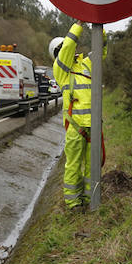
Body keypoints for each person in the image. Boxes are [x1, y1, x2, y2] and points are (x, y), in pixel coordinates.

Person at [49, 22, 105, 211]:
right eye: (63, 49)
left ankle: (90, 199)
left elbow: (100, 51)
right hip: (76, 128)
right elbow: (67, 49)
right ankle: (73, 203)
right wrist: (77, 26)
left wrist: (100, 27)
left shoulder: (86, 65)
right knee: (73, 166)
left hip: (94, 126)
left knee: (92, 166)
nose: (69, 51)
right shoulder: (61, 71)